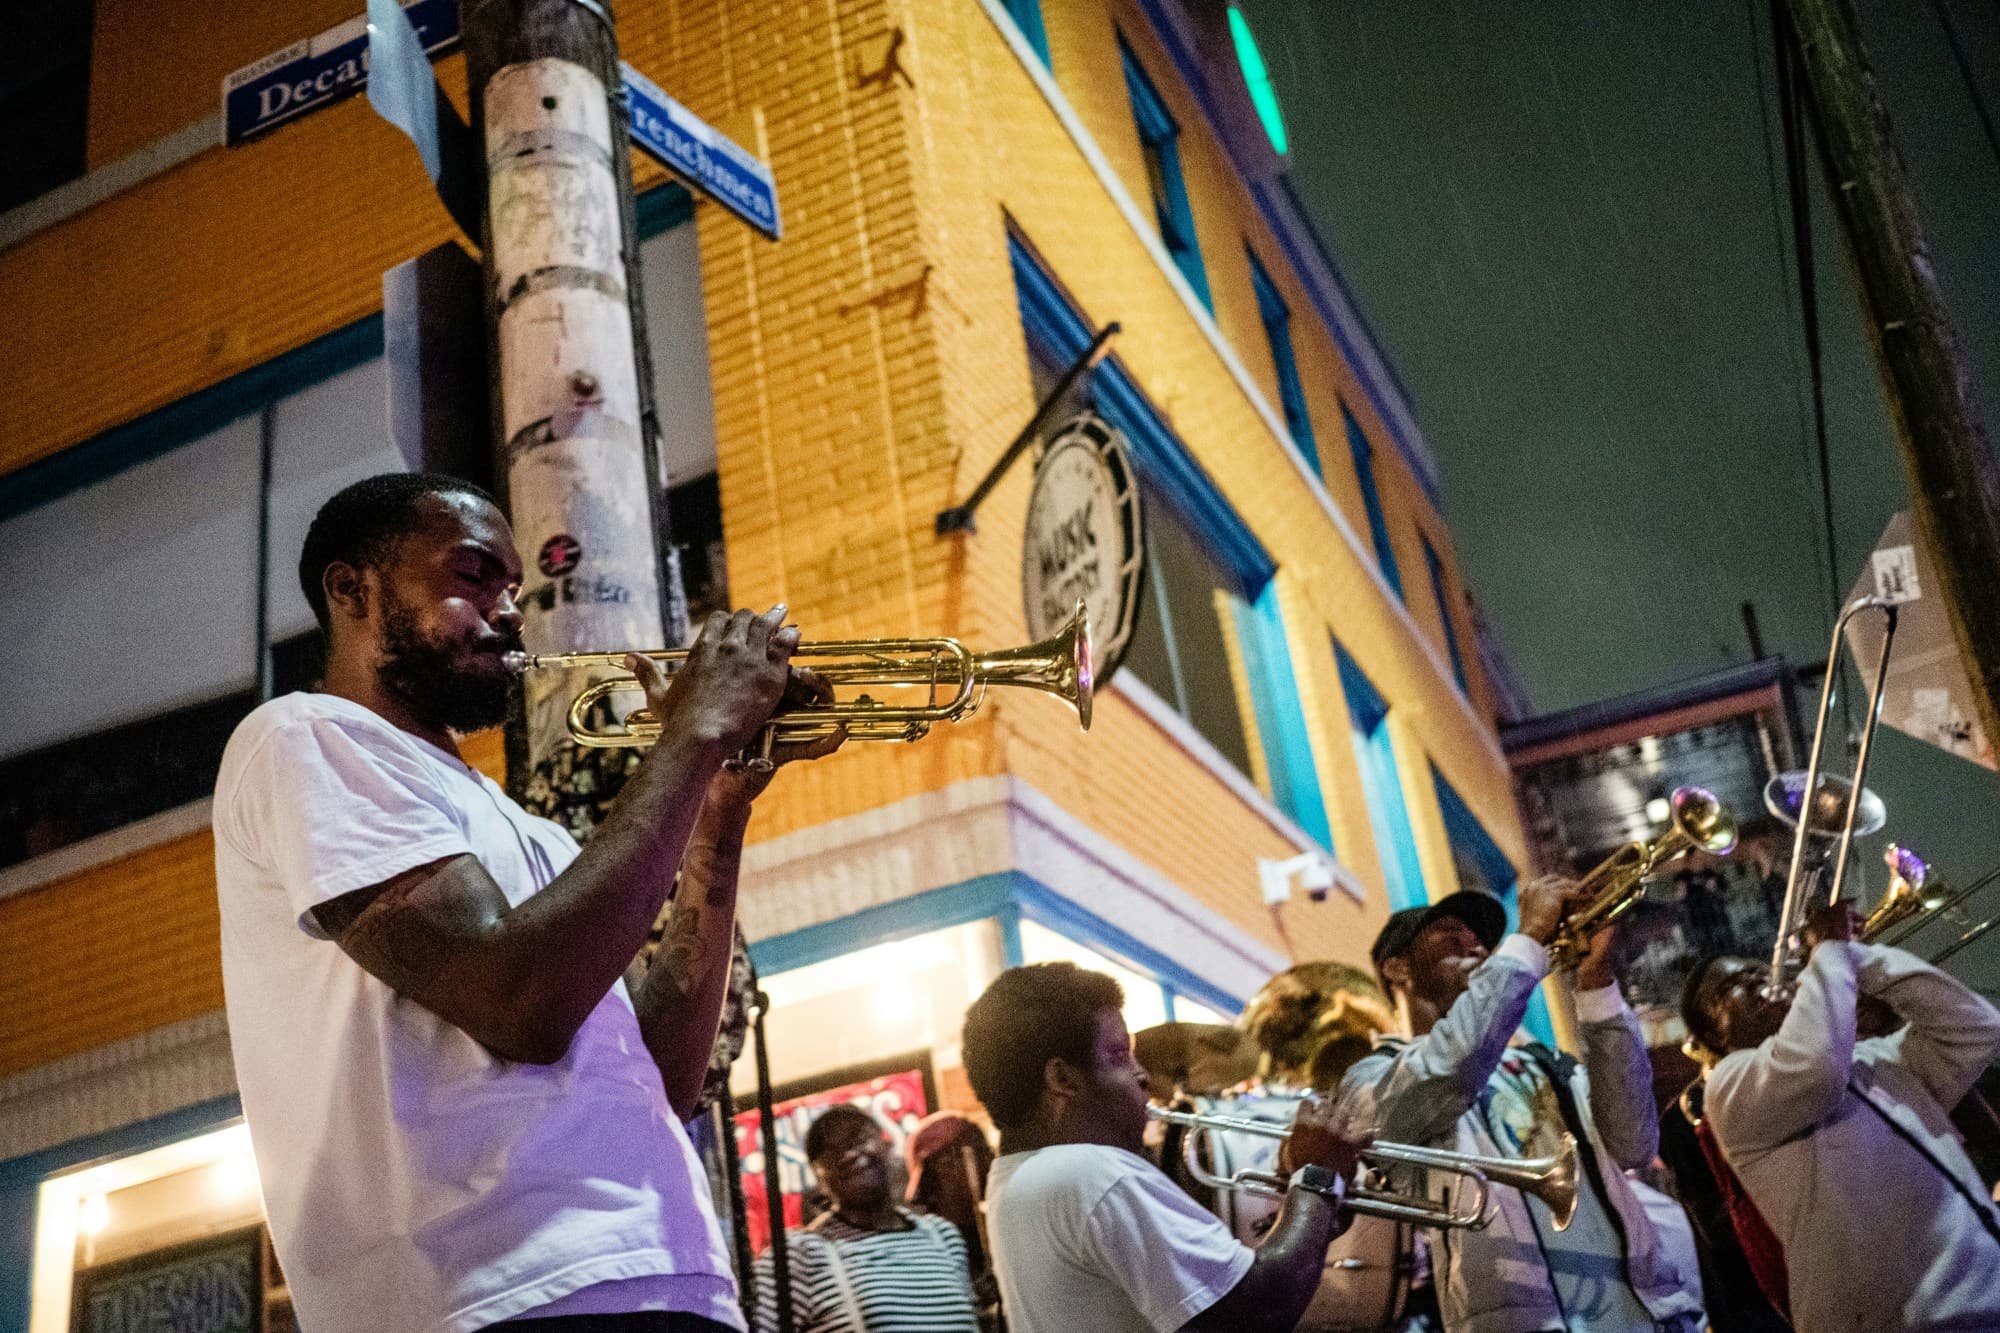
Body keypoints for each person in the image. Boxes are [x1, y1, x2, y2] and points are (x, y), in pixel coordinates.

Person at [213, 472, 840, 1332]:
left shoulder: (531, 833)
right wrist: (693, 732)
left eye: (515, 588)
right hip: (496, 1296)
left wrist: (718, 815)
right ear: (350, 587)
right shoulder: (304, 739)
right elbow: (521, 1002)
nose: (509, 610)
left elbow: (661, 1082)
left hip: (675, 1277)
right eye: (473, 576)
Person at [1336, 885, 1706, 1333]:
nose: (1473, 942)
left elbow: (1632, 1144)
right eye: (1450, 934)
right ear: (1397, 968)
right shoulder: (1370, 1079)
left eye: (1481, 938)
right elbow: (1452, 1066)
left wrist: (1597, 985)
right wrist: (1529, 936)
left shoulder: (1543, 1063)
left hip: (1650, 1318)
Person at [962, 961, 1364, 1333]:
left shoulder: (1015, 1176)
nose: (1141, 1075)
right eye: (1119, 1055)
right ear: (1063, 1078)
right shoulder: (1089, 1173)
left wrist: (1307, 1204)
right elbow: (1260, 1310)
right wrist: (1316, 1176)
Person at [1684, 900, 2000, 1331]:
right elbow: (1816, 1068)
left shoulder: (1874, 1058)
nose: (1765, 979)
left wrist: (1856, 957)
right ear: (1714, 1033)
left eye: (1762, 970)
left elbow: (1977, 1028)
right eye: (1736, 986)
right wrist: (1829, 953)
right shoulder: (1728, 1088)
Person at [752, 1104, 982, 1333]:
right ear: (818, 1176)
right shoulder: (798, 1255)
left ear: (887, 1146)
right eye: (831, 1152)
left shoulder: (942, 1237)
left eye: (858, 1137)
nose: (849, 1154)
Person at [904, 1111, 1003, 1325]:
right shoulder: (923, 1251)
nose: (987, 1163)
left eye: (985, 1152)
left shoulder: (1002, 1225)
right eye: (971, 1154)